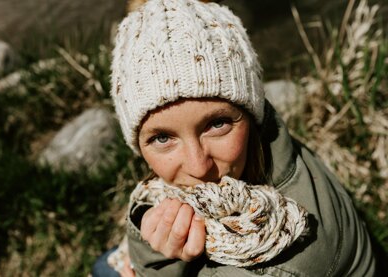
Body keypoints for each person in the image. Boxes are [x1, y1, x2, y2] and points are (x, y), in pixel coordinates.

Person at [93, 0, 377, 276]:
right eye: (162, 138)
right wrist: (147, 227)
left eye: (217, 124)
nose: (198, 166)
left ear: (250, 111)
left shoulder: (271, 260)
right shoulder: (268, 144)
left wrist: (151, 267)